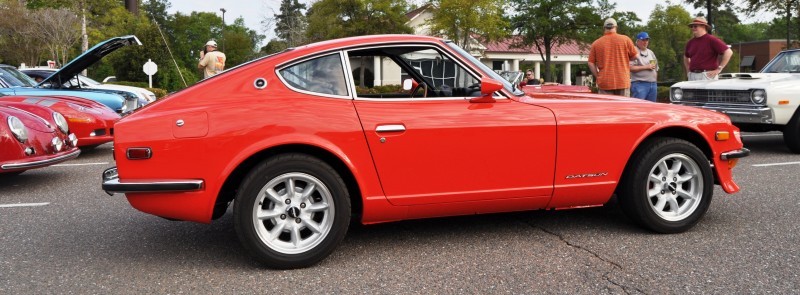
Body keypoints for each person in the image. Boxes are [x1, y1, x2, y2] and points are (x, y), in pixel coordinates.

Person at [588, 18, 638, 96]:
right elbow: (635, 56)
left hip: (605, 81)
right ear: (616, 27)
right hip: (622, 80)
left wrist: (597, 76)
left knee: (607, 108)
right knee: (623, 107)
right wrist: (624, 58)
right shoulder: (625, 39)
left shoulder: (596, 43)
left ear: (604, 28)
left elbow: (591, 63)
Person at [683, 16, 732, 81]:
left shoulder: (711, 39)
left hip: (707, 75)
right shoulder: (690, 42)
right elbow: (686, 57)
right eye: (692, 26)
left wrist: (719, 69)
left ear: (703, 26)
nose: (693, 28)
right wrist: (688, 70)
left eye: (695, 26)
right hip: (692, 75)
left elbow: (729, 52)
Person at [630, 32, 658, 102]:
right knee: (639, 107)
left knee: (652, 108)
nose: (645, 42)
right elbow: (630, 68)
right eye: (643, 40)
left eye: (647, 40)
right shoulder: (633, 51)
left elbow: (655, 68)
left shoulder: (650, 52)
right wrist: (646, 67)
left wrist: (655, 81)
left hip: (653, 84)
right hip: (639, 84)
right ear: (638, 41)